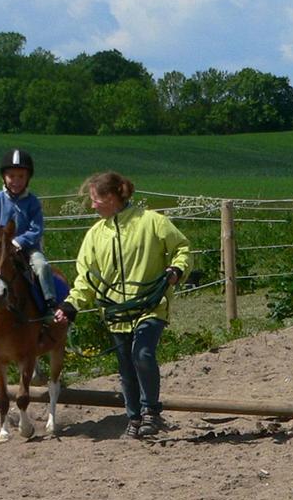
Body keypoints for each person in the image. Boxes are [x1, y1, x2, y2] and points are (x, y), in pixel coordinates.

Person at [53, 171, 191, 439]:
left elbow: (182, 248)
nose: (92, 206)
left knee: (143, 354)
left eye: (96, 199)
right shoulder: (94, 236)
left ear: (114, 197)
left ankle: (151, 411)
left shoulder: (152, 222)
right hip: (115, 312)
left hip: (151, 306)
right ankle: (134, 417)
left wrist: (177, 269)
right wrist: (71, 306)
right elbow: (87, 279)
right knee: (126, 366)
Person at [0, 148, 57, 326]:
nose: (16, 181)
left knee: (41, 265)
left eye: (21, 176)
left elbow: (36, 229)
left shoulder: (33, 202)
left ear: (28, 178)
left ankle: (49, 304)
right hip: (0, 251)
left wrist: (18, 241)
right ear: (4, 178)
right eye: (11, 176)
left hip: (27, 249)